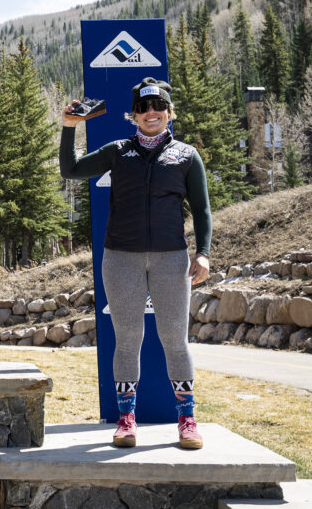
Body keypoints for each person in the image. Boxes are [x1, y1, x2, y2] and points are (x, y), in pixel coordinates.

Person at [59, 77, 211, 449]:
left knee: (175, 340)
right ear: (133, 115)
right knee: (127, 339)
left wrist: (203, 252)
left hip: (171, 259)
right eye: (142, 108)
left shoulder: (187, 155)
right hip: (120, 259)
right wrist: (68, 129)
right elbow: (71, 169)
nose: (150, 113)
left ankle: (187, 420)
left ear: (169, 111)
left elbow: (203, 209)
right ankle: (126, 419)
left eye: (157, 106)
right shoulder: (117, 151)